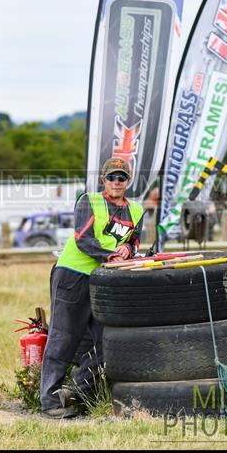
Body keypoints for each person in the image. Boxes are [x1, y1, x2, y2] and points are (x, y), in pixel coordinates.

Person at [40, 157, 144, 419]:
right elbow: (83, 239)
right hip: (73, 275)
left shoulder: (137, 211)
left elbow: (135, 241)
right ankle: (49, 402)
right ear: (103, 180)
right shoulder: (89, 201)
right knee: (63, 337)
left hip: (104, 281)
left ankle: (74, 393)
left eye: (121, 177)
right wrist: (111, 254)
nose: (116, 182)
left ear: (128, 181)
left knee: (103, 342)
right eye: (111, 177)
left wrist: (128, 249)